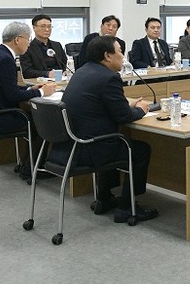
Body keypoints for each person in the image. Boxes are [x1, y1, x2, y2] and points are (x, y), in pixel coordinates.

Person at [54, 35, 158, 223]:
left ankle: (104, 199)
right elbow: (123, 117)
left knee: (114, 138)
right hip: (90, 148)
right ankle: (127, 207)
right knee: (140, 149)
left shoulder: (82, 71)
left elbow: (98, 105)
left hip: (71, 145)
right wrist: (141, 109)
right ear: (107, 56)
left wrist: (125, 105)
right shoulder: (109, 78)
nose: (123, 56)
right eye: (120, 51)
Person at [0, 21, 56, 134]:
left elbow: (7, 87)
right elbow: (13, 96)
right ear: (17, 40)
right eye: (28, 39)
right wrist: (42, 92)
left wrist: (30, 89)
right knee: (46, 121)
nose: (29, 44)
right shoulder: (5, 60)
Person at [20, 14, 68, 79]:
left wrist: (64, 71)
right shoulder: (27, 48)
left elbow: (64, 63)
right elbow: (27, 72)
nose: (47, 29)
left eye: (49, 26)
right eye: (43, 26)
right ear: (34, 28)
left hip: (59, 80)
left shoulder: (57, 45)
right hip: (39, 82)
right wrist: (47, 74)